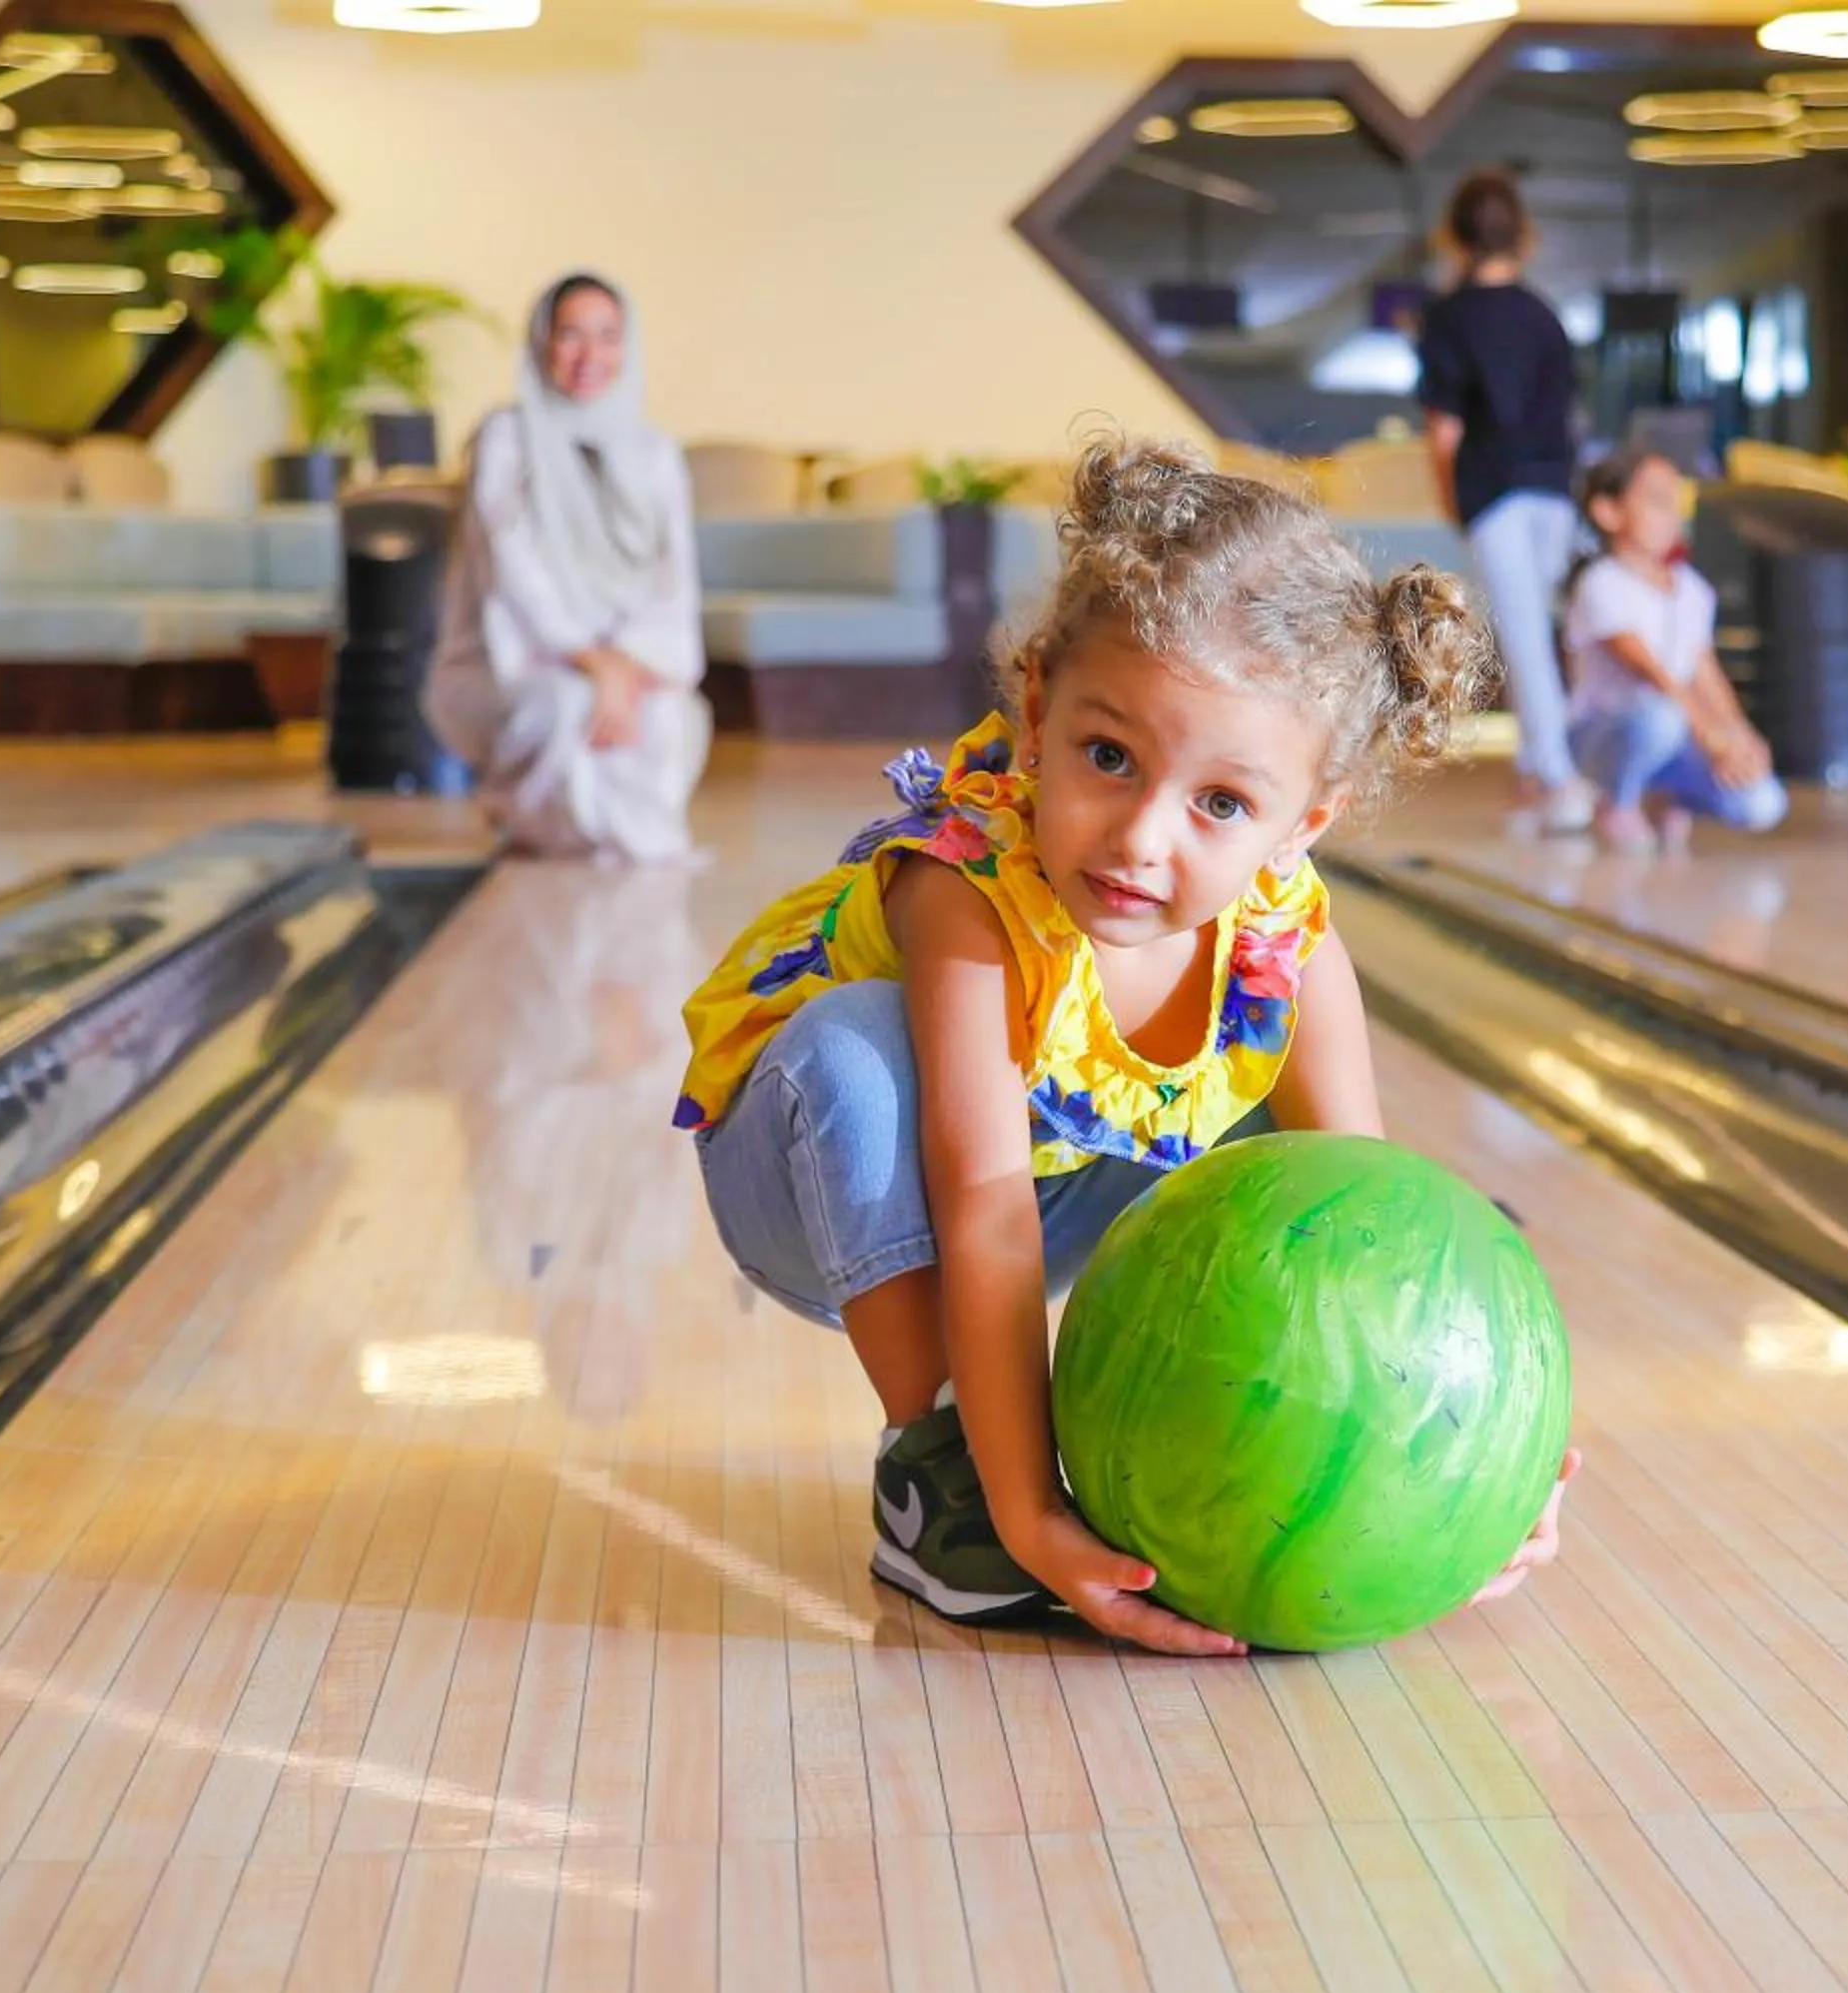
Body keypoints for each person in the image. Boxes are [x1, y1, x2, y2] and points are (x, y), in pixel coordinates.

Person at [672, 438, 1580, 1655]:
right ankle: (930, 1469)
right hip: (830, 1190)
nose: (1141, 836)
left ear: (1299, 825)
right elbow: (983, 1206)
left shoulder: (1286, 946)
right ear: (1037, 708)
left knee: (1383, 1202)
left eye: (1220, 803)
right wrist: (1029, 1505)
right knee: (854, 1047)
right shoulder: (968, 895)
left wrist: (1473, 1471)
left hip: (1066, 1185)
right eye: (1110, 757)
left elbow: (1363, 1242)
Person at [428, 273, 708, 864]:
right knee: (566, 703)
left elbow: (673, 581)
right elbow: (511, 569)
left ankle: (629, 856)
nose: (590, 356)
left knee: (666, 714)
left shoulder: (655, 455)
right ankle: (557, 839)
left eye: (608, 336)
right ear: (541, 343)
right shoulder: (505, 439)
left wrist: (626, 665)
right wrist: (591, 662)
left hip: (630, 656)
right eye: (571, 336)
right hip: (522, 651)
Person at [1415, 169, 1592, 838]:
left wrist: (1452, 500)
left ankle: (1560, 778)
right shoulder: (1546, 315)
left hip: (1494, 492)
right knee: (1535, 632)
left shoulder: (1448, 319)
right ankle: (1535, 771)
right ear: (1524, 236)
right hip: (1554, 490)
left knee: (1522, 638)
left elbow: (1445, 430)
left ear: (1453, 238)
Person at [1564, 449, 1788, 854]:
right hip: (1606, 735)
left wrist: (1741, 736)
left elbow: (1705, 671)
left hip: (1677, 730)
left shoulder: (1692, 590)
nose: (1671, 514)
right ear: (1608, 511)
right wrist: (1713, 739)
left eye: (1675, 501)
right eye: (1656, 500)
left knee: (1763, 803)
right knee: (1660, 719)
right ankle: (1616, 801)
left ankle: (1667, 798)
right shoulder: (1601, 584)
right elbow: (1657, 675)